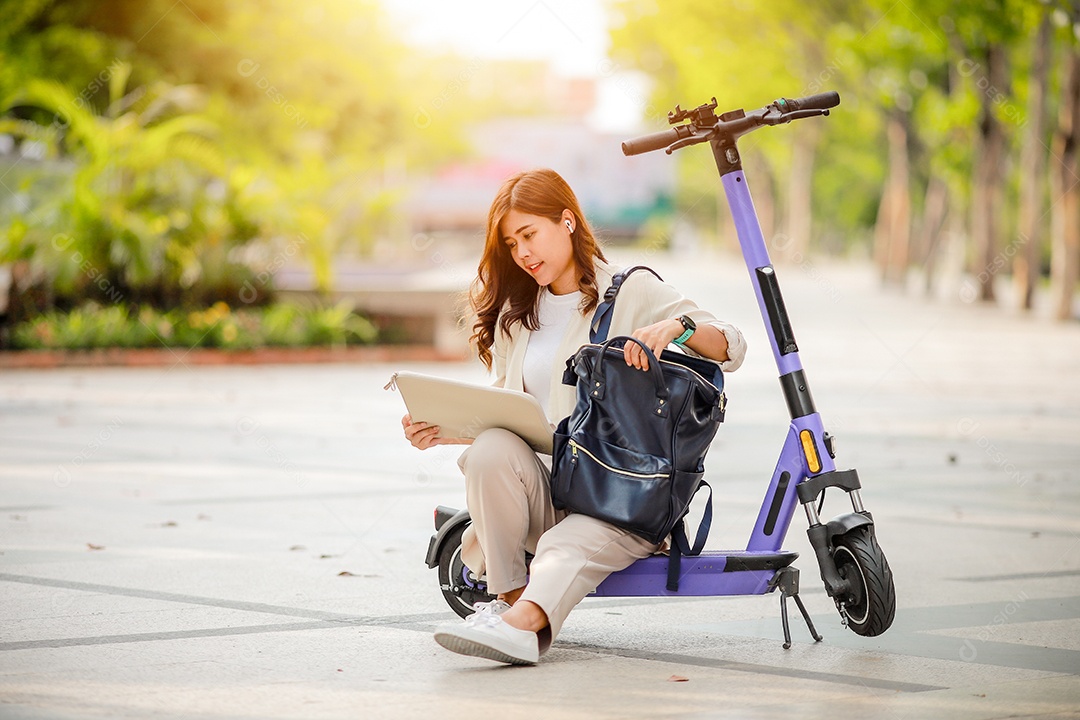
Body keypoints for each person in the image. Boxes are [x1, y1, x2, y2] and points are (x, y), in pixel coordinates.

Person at [402, 168, 746, 665]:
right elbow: (510, 415)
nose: (521, 253)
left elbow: (730, 344)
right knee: (490, 448)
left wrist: (679, 326)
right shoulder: (515, 315)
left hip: (617, 497)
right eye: (510, 243)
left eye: (528, 235)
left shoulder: (631, 291)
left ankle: (513, 624)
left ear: (566, 222)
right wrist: (442, 430)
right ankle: (510, 604)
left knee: (567, 542)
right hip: (548, 490)